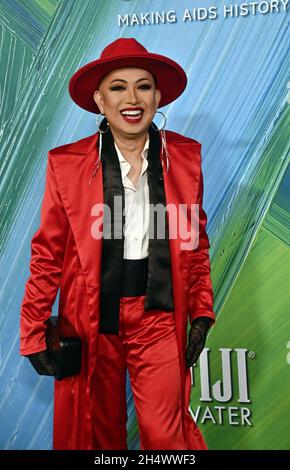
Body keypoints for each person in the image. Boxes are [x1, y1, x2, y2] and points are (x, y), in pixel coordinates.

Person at [20, 37, 215, 450]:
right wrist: (33, 330)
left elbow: (195, 245)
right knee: (96, 436)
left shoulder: (185, 158)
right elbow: (47, 254)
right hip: (92, 319)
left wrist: (200, 311)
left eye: (143, 86)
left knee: (167, 438)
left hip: (158, 314)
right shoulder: (65, 164)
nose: (132, 98)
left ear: (157, 95)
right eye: (118, 87)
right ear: (99, 100)